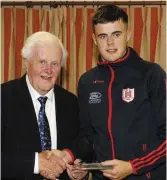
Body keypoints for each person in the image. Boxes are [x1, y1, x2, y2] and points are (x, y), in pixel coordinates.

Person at [64, 4, 166, 180]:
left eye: (116, 34)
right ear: (95, 40)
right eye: (103, 36)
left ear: (128, 34)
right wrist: (82, 164)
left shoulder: (151, 74)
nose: (110, 43)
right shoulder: (87, 81)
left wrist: (133, 166)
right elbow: (88, 137)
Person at [1, 31, 87, 180]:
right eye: (42, 62)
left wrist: (80, 168)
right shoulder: (3, 97)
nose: (48, 70)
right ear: (26, 62)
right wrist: (34, 163)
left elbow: (82, 145)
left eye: (55, 64)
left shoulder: (71, 102)